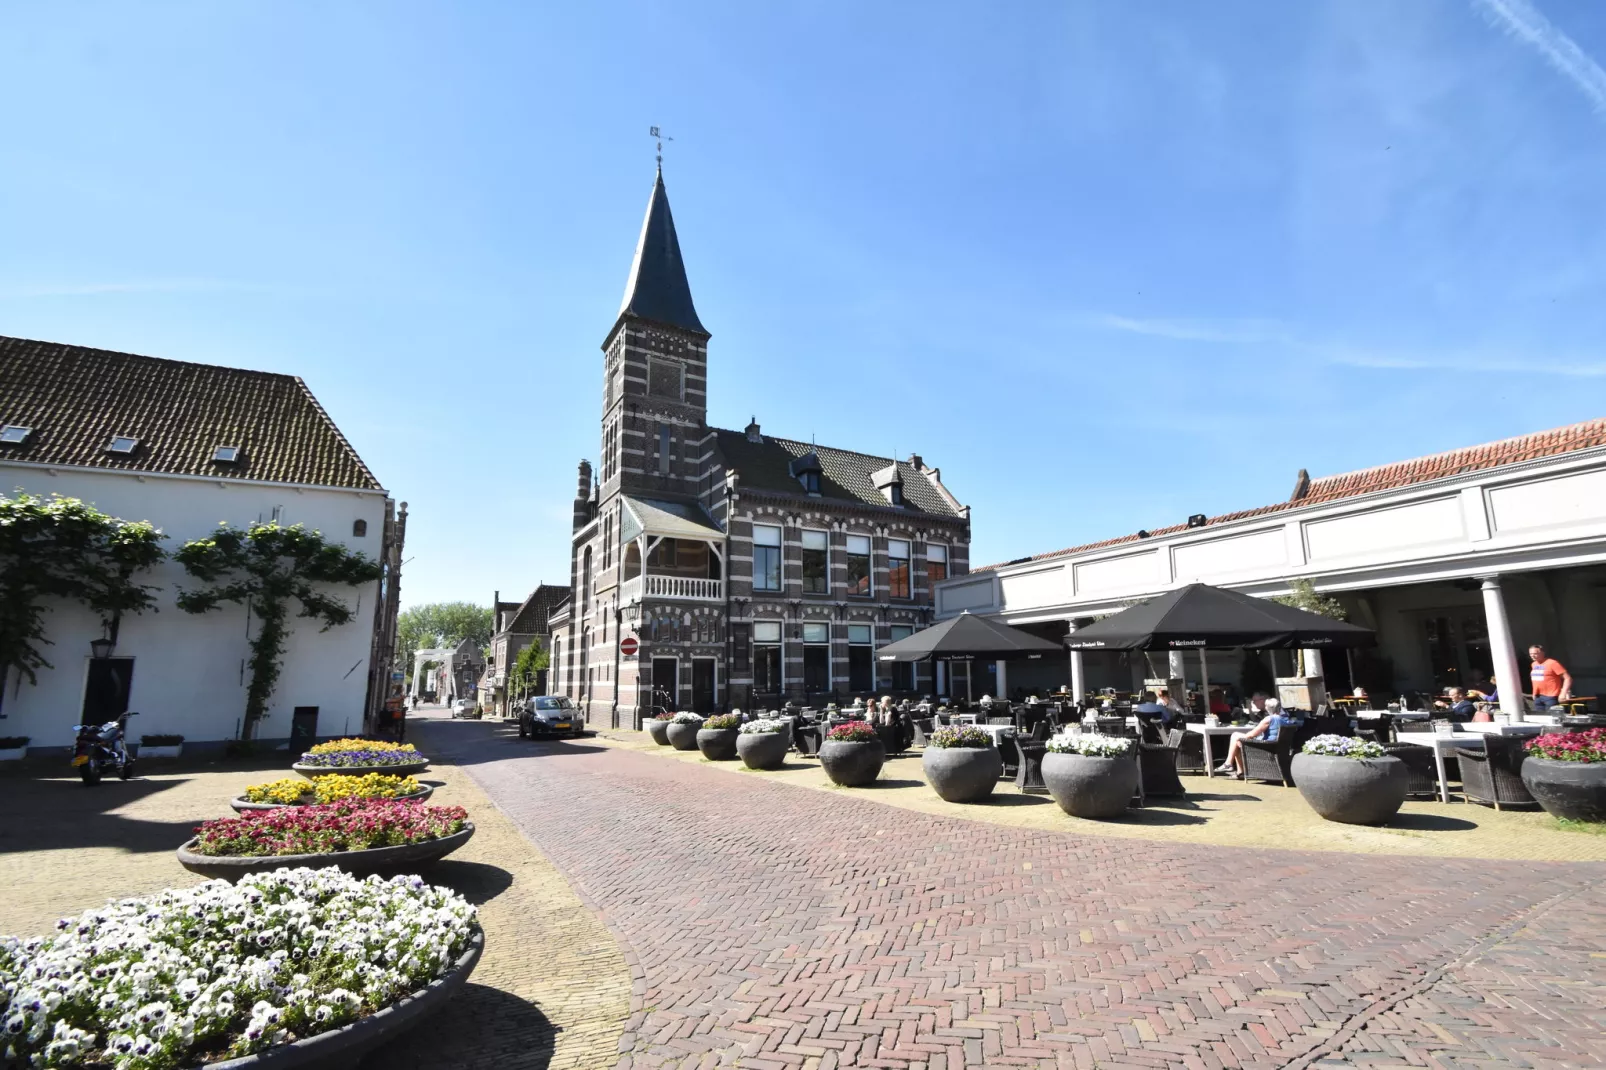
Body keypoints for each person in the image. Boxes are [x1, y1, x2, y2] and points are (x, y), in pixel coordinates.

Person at [1216, 697, 1290, 778]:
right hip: (1279, 747)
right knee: (1237, 742)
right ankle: (1239, 772)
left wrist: (1245, 735)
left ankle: (1229, 764)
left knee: (1235, 735)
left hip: (1267, 747)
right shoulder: (1285, 719)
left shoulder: (1269, 719)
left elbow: (1251, 735)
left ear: (1267, 708)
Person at [1529, 645, 1573, 711]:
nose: (1533, 656)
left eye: (1535, 653)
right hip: (1538, 696)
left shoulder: (1552, 663)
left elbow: (1568, 678)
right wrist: (1534, 693)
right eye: (1531, 654)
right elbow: (1536, 679)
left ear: (1542, 653)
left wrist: (1563, 693)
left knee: (1552, 717)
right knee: (1540, 718)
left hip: (1551, 696)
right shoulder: (1534, 664)